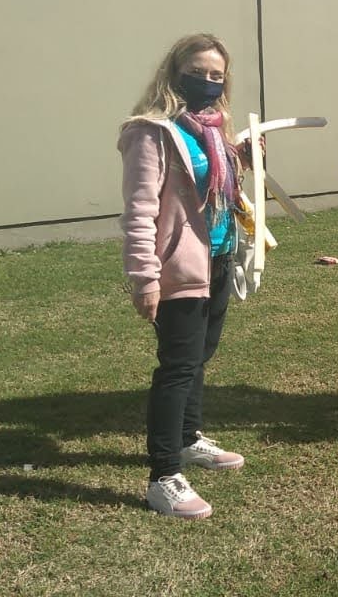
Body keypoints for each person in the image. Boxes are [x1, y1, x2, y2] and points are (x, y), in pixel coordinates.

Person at [118, 33, 250, 519]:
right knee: (177, 367)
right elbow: (139, 210)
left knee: (199, 356)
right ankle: (163, 475)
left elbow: (221, 190)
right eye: (199, 72)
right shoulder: (150, 132)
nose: (209, 82)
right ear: (175, 73)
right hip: (177, 267)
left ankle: (189, 438)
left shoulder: (212, 130)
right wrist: (144, 278)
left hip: (216, 258)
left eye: (218, 75)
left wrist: (245, 157)